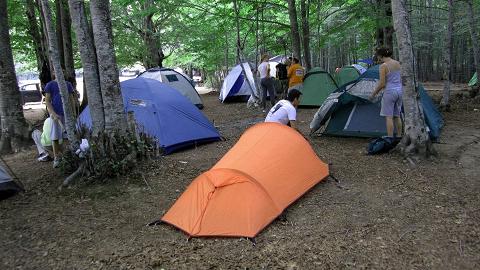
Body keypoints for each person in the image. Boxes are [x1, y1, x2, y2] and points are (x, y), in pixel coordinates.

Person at [369, 47, 403, 138]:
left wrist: (373, 94)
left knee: (389, 117)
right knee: (397, 115)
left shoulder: (384, 66)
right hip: (400, 91)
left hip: (390, 92)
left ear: (381, 56)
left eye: (378, 56)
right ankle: (399, 136)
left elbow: (382, 84)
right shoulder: (398, 63)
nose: (378, 58)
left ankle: (390, 138)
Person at [44, 73, 76, 168]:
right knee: (55, 137)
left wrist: (73, 113)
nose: (60, 73)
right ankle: (56, 158)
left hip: (67, 114)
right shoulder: (50, 85)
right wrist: (53, 113)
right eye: (57, 71)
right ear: (54, 73)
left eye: (63, 71)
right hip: (56, 114)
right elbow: (47, 101)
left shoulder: (67, 84)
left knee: (69, 136)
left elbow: (71, 99)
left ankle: (71, 156)